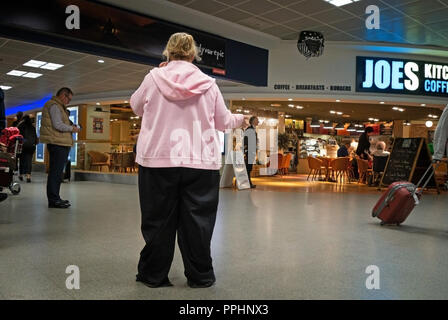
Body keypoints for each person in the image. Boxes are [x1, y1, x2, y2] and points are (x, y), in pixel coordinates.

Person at [130, 32, 244, 288]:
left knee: (157, 220)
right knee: (199, 222)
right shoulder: (209, 83)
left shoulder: (153, 78)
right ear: (194, 55)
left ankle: (153, 274)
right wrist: (241, 119)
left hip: (157, 161)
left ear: (167, 53)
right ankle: (200, 275)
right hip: (200, 164)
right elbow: (223, 122)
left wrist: (159, 74)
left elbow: (135, 106)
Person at [39, 88, 80, 209]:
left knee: (56, 173)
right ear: (63, 95)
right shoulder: (54, 106)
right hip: (58, 143)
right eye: (68, 99)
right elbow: (58, 125)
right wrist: (72, 129)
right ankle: (53, 199)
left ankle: (55, 197)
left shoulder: (58, 106)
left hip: (59, 143)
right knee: (55, 173)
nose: (68, 102)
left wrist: (72, 126)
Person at [17, 115, 38, 183]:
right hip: (31, 146)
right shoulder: (32, 127)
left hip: (23, 145)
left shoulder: (20, 126)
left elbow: (18, 136)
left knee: (22, 160)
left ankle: (21, 175)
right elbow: (35, 136)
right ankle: (28, 176)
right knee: (29, 161)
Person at [244, 116, 258, 188]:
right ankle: (248, 183)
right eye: (257, 120)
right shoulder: (249, 129)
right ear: (253, 121)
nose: (258, 121)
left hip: (251, 152)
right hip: (249, 152)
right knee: (248, 168)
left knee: (249, 168)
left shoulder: (253, 129)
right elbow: (245, 141)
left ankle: (248, 183)